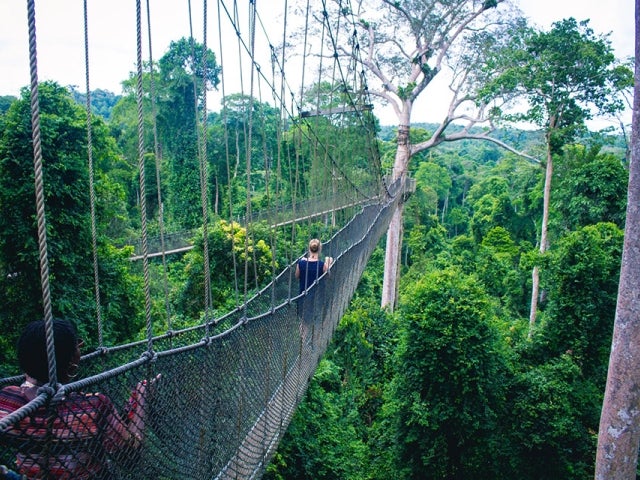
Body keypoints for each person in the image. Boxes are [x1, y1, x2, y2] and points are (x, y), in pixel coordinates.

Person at [0, 318, 152, 479]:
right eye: (76, 347)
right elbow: (129, 457)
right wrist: (142, 397)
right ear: (72, 360)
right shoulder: (93, 407)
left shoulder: (7, 401)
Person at [295, 239, 332, 343]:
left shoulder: (301, 263)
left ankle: (302, 343)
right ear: (319, 249)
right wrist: (328, 263)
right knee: (314, 320)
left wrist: (302, 263)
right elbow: (328, 276)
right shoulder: (321, 265)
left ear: (309, 249)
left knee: (304, 321)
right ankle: (310, 343)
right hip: (316, 298)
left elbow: (297, 276)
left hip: (302, 297)